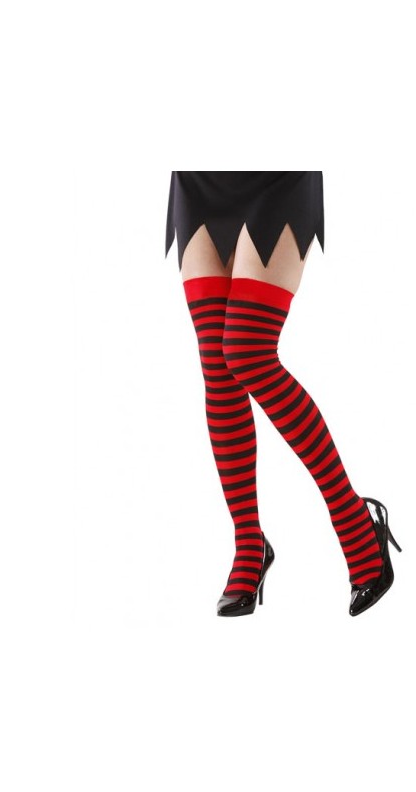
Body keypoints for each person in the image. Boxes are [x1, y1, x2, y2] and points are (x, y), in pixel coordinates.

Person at [165, 171, 401, 617]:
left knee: (246, 351)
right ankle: (249, 542)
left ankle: (354, 522)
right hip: (201, 175)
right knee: (217, 364)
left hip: (275, 172)